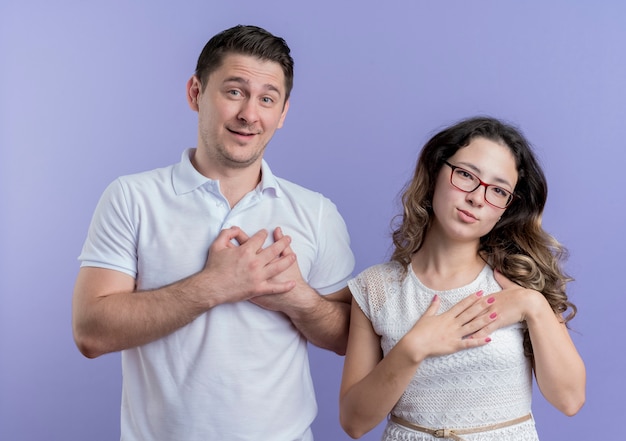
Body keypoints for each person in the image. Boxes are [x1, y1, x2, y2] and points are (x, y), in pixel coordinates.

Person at [72, 25, 355, 441]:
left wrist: (298, 299)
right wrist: (215, 285)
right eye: (234, 91)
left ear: (283, 113)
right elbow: (91, 332)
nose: (249, 114)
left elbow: (348, 336)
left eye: (267, 99)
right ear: (195, 93)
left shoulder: (315, 212)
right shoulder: (131, 197)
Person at [339, 116, 585, 440]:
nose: (477, 198)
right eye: (466, 175)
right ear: (435, 172)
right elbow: (354, 423)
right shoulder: (377, 288)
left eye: (498, 190)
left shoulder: (520, 282)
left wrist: (533, 306)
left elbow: (569, 400)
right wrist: (414, 347)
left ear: (507, 208)